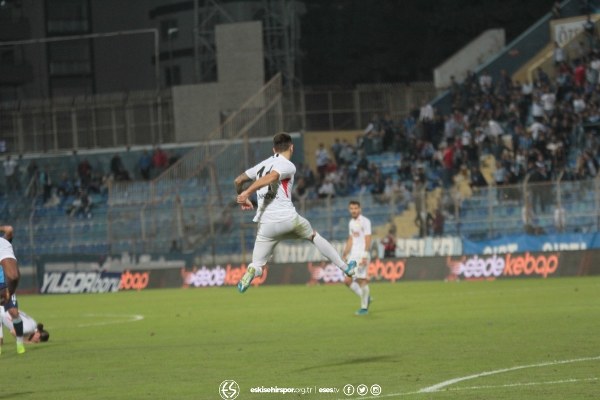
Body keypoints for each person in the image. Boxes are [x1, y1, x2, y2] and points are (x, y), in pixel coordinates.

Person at [234, 133, 357, 293]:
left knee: (257, 265)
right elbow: (273, 176)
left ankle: (251, 272)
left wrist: (242, 194)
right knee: (313, 236)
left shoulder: (261, 165)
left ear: (273, 149)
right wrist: (248, 193)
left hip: (266, 226)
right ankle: (346, 268)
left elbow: (238, 180)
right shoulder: (287, 165)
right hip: (288, 220)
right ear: (291, 147)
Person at [341, 200, 372, 316]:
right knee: (347, 281)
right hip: (353, 256)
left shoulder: (365, 221)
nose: (353, 210)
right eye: (351, 209)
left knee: (361, 280)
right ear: (349, 210)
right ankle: (366, 297)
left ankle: (364, 308)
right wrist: (345, 253)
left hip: (361, 255)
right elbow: (351, 239)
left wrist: (365, 255)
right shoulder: (351, 223)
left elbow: (368, 238)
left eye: (356, 208)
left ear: (360, 209)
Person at [0, 225, 25, 354]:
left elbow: (9, 229)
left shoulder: (3, 242)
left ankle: (20, 343)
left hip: (7, 285)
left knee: (14, 312)